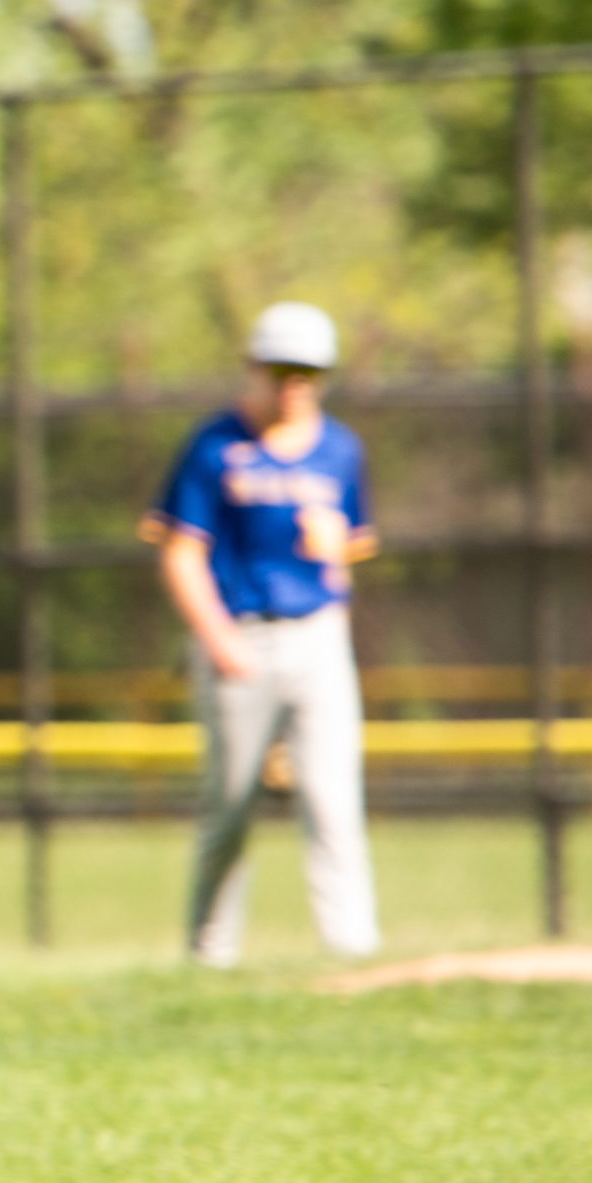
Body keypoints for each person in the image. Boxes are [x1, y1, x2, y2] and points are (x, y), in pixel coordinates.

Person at [145, 301, 381, 968]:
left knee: (334, 799)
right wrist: (218, 641)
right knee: (229, 804)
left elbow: (347, 549)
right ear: (253, 367)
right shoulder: (214, 445)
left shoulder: (340, 449)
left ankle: (354, 951)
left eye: (308, 372)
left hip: (318, 634)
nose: (293, 384)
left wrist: (335, 553)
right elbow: (181, 551)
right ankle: (210, 953)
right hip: (240, 636)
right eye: (280, 369)